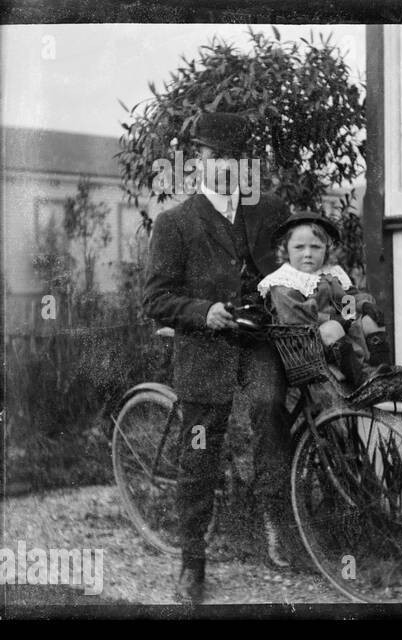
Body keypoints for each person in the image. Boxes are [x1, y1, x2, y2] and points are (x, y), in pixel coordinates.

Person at [142, 112, 293, 604]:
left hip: (257, 342)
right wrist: (202, 310)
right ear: (198, 162)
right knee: (201, 447)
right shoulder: (175, 224)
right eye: (213, 157)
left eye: (235, 157)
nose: (225, 166)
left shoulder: (269, 211)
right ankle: (192, 559)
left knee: (271, 410)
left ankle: (275, 521)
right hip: (205, 350)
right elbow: (156, 299)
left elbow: (296, 267)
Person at [257, 212, 391, 392]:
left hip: (339, 334)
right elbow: (299, 319)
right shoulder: (284, 282)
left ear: (326, 249)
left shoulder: (329, 274)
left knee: (371, 321)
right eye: (299, 247)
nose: (308, 254)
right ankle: (363, 379)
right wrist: (332, 319)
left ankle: (383, 373)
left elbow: (346, 301)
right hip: (305, 344)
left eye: (316, 247)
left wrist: (360, 306)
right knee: (332, 329)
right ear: (285, 249)